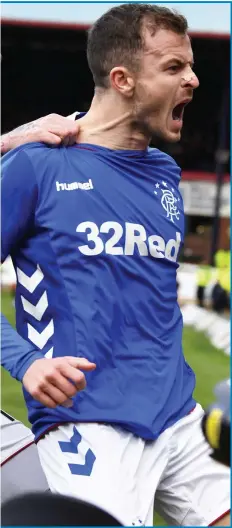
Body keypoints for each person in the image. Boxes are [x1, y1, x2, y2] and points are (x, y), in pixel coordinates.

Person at [1, 4, 230, 526]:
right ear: (122, 79)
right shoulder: (36, 164)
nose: (193, 79)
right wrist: (26, 363)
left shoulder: (165, 175)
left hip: (179, 416)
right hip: (89, 426)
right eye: (173, 68)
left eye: (190, 66)